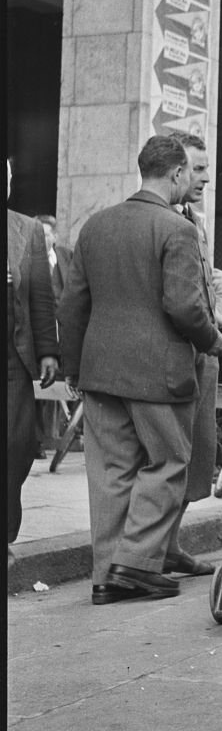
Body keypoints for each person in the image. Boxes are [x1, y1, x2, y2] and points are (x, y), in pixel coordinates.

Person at [58, 135, 222, 605]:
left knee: (111, 473)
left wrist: (73, 366)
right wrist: (213, 340)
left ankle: (106, 576)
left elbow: (71, 305)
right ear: (175, 174)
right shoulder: (176, 229)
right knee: (168, 463)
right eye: (190, 173)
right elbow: (185, 306)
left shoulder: (96, 225)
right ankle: (134, 564)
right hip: (159, 373)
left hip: (99, 372)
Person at [163, 134, 222, 577]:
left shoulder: (197, 219)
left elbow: (206, 279)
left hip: (202, 352)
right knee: (170, 454)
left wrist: (220, 305)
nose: (207, 178)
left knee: (198, 453)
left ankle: (171, 544)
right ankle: (156, 546)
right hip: (175, 356)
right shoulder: (162, 220)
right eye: (199, 169)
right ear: (177, 171)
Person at [7, 161, 60, 551]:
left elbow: (42, 298)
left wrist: (48, 353)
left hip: (14, 356)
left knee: (17, 445)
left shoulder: (27, 230)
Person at [32, 214, 73, 455]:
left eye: (46, 234)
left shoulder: (67, 257)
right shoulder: (27, 258)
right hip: (40, 333)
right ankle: (37, 440)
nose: (42, 238)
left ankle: (60, 434)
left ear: (55, 236)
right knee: (38, 384)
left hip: (65, 331)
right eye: (38, 234)